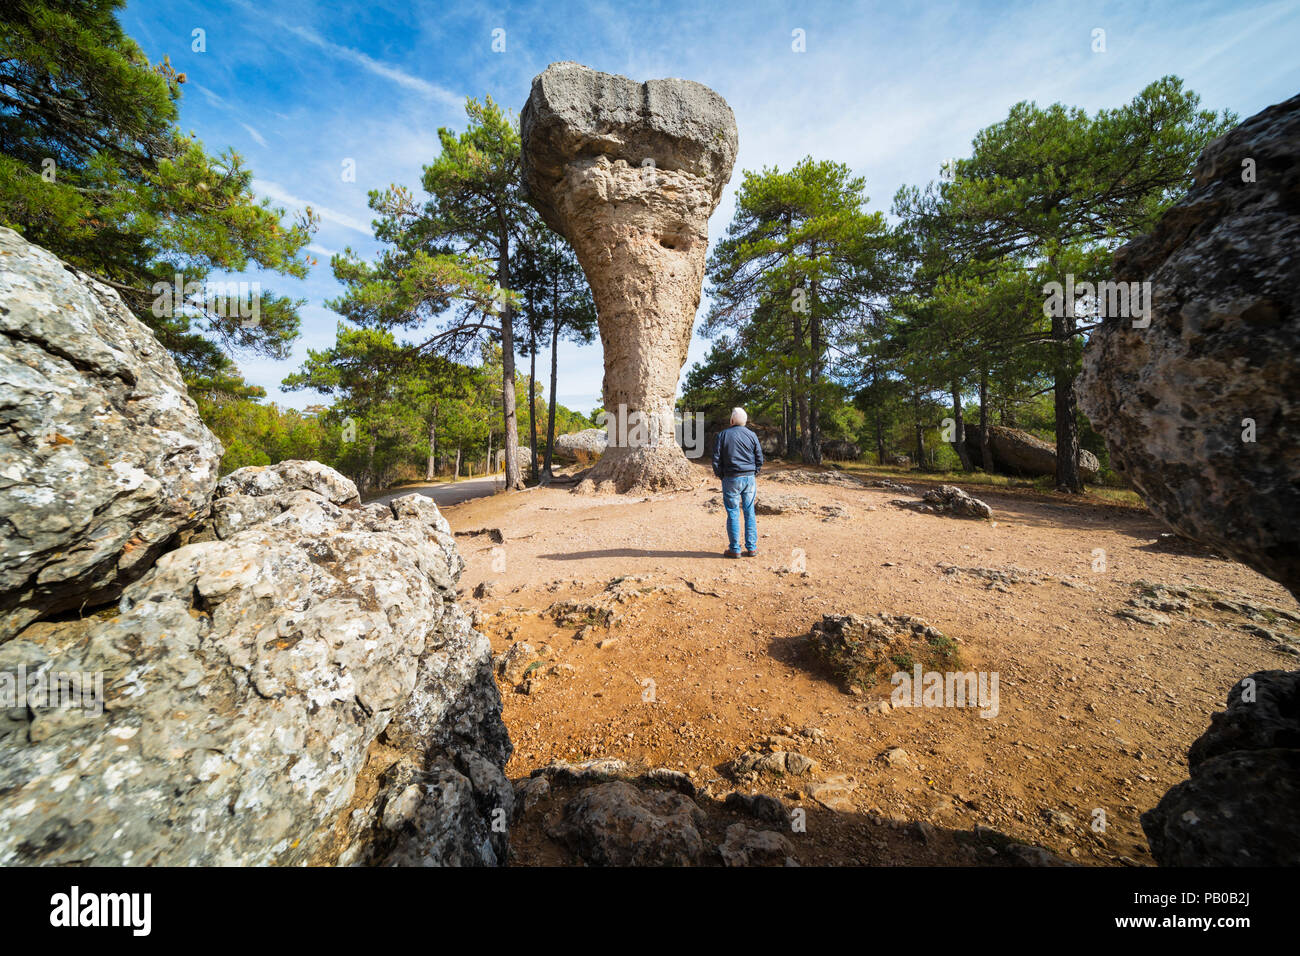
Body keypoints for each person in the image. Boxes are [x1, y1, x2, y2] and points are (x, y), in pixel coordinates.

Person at [712, 407, 763, 558]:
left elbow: (716, 459)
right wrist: (754, 472)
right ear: (745, 421)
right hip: (749, 478)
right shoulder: (752, 435)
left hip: (731, 478)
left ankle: (735, 549)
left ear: (732, 420)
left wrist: (721, 475)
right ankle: (752, 548)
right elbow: (759, 457)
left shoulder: (723, 435)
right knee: (749, 511)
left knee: (733, 512)